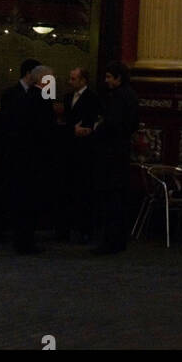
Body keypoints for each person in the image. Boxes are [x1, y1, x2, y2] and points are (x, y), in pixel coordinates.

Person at [0, 59, 56, 254]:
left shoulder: (25, 97)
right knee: (30, 202)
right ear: (44, 79)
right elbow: (47, 131)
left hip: (20, 157)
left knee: (21, 200)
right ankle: (26, 242)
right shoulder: (42, 101)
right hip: (35, 159)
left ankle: (21, 239)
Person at [88, 61, 139, 255]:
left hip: (111, 154)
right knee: (118, 198)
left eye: (109, 76)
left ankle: (110, 241)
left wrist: (97, 129)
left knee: (110, 199)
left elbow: (111, 124)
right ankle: (118, 241)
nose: (106, 80)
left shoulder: (117, 97)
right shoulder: (131, 95)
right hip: (122, 152)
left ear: (118, 78)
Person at [56, 67, 101, 242]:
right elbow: (67, 119)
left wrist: (86, 130)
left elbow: (94, 121)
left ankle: (85, 229)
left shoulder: (93, 98)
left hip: (85, 150)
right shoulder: (68, 97)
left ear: (83, 81)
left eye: (74, 79)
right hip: (69, 148)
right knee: (67, 188)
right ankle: (65, 228)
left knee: (84, 190)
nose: (70, 81)